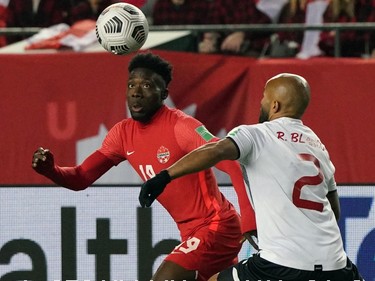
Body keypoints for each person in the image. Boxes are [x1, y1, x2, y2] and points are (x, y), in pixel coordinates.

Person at [31, 52, 257, 281]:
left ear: (164, 94)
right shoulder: (122, 134)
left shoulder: (182, 126)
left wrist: (249, 218)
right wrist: (51, 170)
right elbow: (80, 178)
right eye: (131, 85)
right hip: (191, 232)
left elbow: (233, 163)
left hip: (217, 225)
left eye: (147, 85)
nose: (136, 92)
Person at [139, 73, 364, 281]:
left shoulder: (256, 133)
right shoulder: (318, 146)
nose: (261, 103)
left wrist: (165, 176)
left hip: (281, 263)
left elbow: (215, 151)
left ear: (274, 105)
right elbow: (333, 208)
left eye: (263, 98)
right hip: (336, 264)